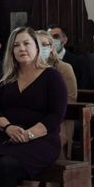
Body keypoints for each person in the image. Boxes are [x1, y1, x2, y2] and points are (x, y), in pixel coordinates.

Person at [0, 27, 67, 187]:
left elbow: (55, 116)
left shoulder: (52, 76)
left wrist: (28, 135)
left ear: (36, 46)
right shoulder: (6, 78)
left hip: (42, 140)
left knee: (6, 164)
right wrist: (8, 127)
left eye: (26, 43)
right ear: (11, 51)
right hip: (8, 136)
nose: (22, 48)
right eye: (16, 45)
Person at [37, 30, 77, 158]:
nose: (42, 48)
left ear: (51, 47)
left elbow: (70, 100)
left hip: (60, 121)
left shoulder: (64, 68)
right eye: (38, 44)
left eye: (45, 44)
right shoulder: (27, 68)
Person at [47, 24, 89, 89]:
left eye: (55, 37)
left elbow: (83, 88)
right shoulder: (41, 60)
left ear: (65, 40)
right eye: (49, 37)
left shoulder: (78, 62)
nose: (52, 40)